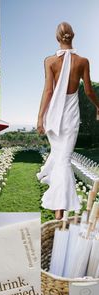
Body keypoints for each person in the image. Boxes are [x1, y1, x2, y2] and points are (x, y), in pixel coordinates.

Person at [37, 22, 99, 220]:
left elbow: (48, 91)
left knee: (60, 156)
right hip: (71, 114)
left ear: (58, 38)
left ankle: (58, 205)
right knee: (63, 158)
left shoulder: (49, 61)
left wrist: (40, 118)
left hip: (53, 114)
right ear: (73, 36)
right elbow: (88, 91)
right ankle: (59, 209)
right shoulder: (83, 61)